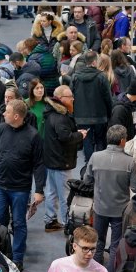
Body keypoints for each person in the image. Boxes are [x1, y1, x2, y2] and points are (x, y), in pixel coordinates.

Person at [0, 99, 46, 270]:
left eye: (7, 112)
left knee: (19, 224)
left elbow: (38, 164)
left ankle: (17, 259)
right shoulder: (1, 129)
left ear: (16, 116)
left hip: (20, 189)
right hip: (0, 185)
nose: (3, 114)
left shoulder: (33, 135)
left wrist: (39, 190)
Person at [83, 124, 136, 266]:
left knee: (98, 242)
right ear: (122, 141)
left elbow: (86, 180)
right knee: (116, 245)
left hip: (100, 208)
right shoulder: (130, 162)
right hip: (120, 211)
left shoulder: (95, 157)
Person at [42, 85, 86, 232]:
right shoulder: (61, 117)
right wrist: (80, 135)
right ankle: (68, 224)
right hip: (61, 161)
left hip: (52, 160)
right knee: (65, 195)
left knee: (51, 192)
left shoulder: (51, 113)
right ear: (61, 98)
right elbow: (65, 137)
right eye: (70, 96)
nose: (73, 99)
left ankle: (50, 220)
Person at [71, 50, 114, 162]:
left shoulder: (75, 76)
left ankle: (89, 164)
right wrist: (110, 113)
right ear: (95, 62)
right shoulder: (102, 77)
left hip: (81, 116)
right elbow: (108, 97)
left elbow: (71, 96)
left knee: (86, 141)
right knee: (100, 140)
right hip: (100, 115)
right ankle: (99, 164)